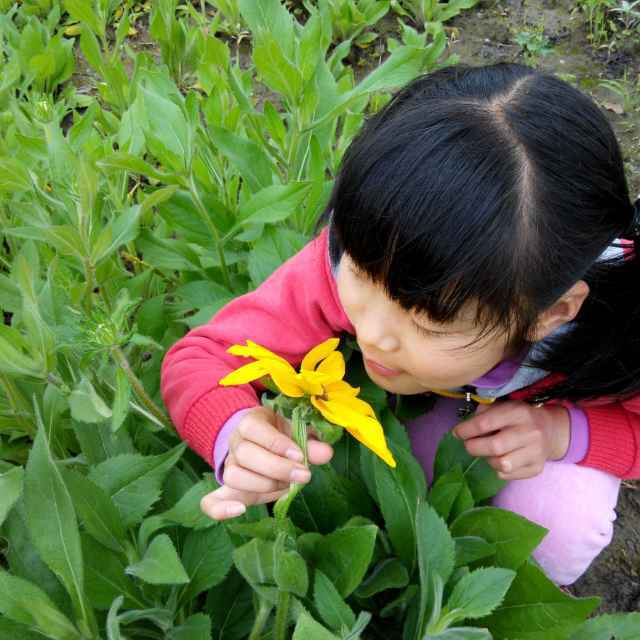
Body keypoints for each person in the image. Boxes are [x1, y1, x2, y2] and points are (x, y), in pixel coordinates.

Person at [160, 62, 640, 586]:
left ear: (552, 314)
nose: (373, 334)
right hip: (446, 396)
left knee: (560, 524)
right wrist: (235, 434)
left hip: (543, 423)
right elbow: (201, 357)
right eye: (361, 276)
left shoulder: (622, 330)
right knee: (400, 475)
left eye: (428, 321)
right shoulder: (379, 253)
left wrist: (563, 433)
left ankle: (506, 595)